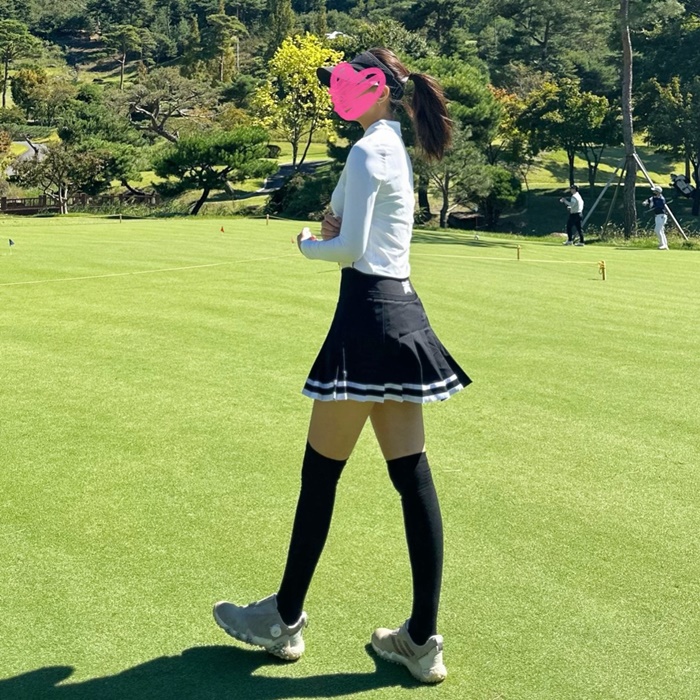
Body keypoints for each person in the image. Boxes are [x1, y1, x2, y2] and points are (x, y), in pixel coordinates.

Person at [212, 48, 471, 684]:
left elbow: (351, 247)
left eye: (346, 82)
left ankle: (283, 618)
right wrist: (336, 226)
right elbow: (368, 230)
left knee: (320, 475)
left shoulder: (365, 151)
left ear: (376, 88)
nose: (336, 91)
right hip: (401, 313)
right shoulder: (391, 147)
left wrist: (310, 245)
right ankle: (421, 639)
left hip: (366, 317)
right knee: (412, 479)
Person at [643, 185, 668, 249]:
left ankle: (662, 244)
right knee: (661, 230)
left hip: (662, 216)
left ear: (658, 192)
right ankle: (665, 245)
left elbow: (659, 206)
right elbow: (648, 200)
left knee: (657, 230)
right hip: (657, 216)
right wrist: (645, 202)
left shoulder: (661, 199)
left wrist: (653, 206)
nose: (653, 192)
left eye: (655, 191)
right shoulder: (653, 198)